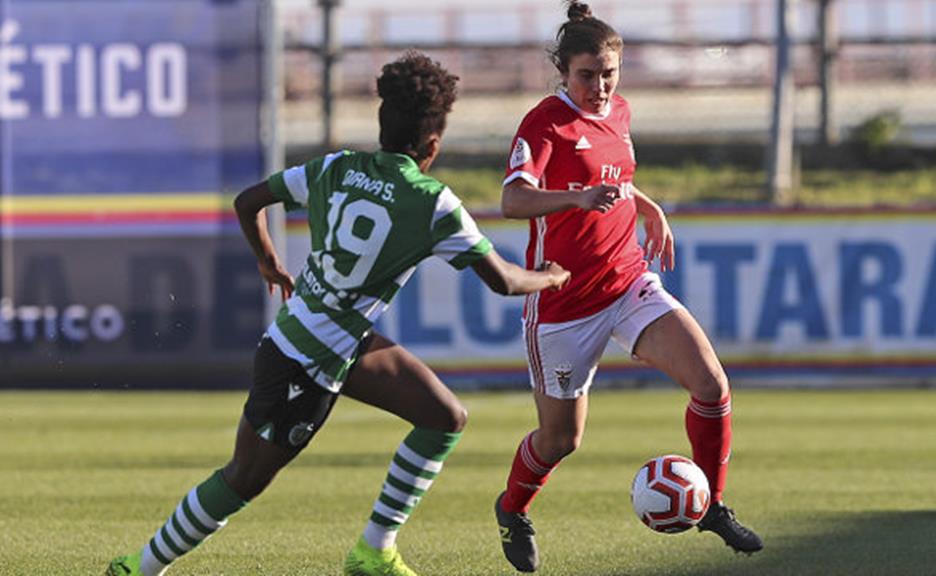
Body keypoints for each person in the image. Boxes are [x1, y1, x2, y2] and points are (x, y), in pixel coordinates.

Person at [106, 51, 570, 576]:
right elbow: (506, 280)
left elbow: (247, 201)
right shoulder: (432, 203)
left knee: (443, 417)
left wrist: (270, 264)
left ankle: (374, 551)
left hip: (333, 340)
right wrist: (553, 276)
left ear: (382, 125)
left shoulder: (335, 167)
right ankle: (138, 567)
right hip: (304, 363)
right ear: (433, 146)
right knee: (245, 478)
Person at [493, 2, 763, 572]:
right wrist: (575, 198)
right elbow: (513, 200)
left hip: (627, 281)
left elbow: (615, 179)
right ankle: (512, 509)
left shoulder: (619, 112)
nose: (599, 85)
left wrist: (649, 206)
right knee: (561, 440)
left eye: (608, 73)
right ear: (564, 72)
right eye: (587, 75)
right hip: (563, 303)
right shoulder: (546, 123)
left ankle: (711, 504)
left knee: (712, 385)